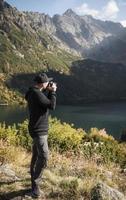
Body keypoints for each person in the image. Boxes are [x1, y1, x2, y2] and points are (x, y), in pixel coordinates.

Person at [25, 73, 57, 198]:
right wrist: (53, 91)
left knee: (36, 155)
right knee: (44, 157)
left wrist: (47, 91)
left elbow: (44, 103)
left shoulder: (32, 93)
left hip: (35, 129)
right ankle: (35, 187)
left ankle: (33, 179)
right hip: (39, 131)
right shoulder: (37, 94)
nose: (49, 83)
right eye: (47, 82)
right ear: (43, 83)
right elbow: (52, 105)